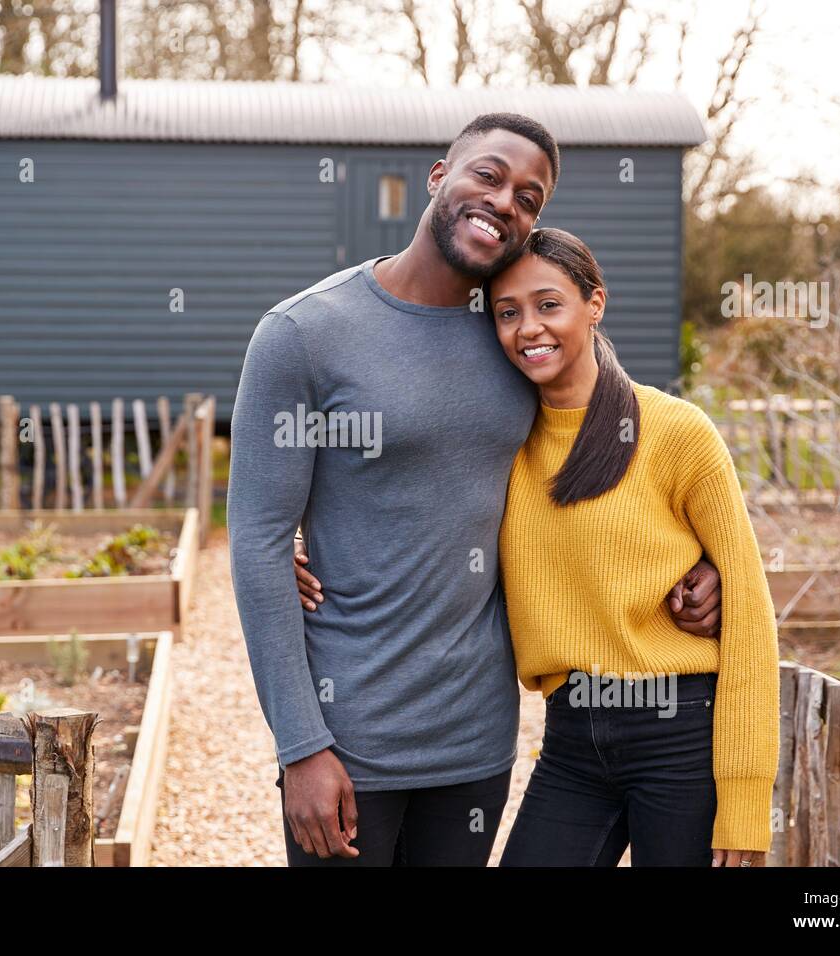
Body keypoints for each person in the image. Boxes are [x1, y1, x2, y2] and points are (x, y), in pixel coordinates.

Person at [228, 113, 723, 868]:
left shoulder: (511, 334)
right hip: (349, 737)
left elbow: (613, 435)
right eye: (489, 175)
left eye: (530, 197)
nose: (505, 202)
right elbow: (258, 540)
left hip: (476, 744)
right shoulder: (304, 334)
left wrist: (703, 560)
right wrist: (301, 746)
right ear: (439, 177)